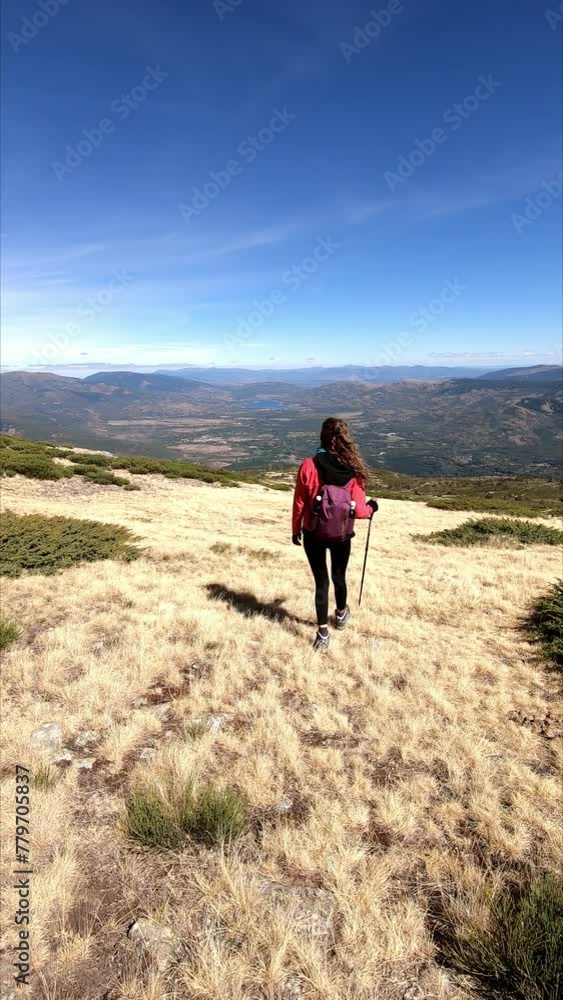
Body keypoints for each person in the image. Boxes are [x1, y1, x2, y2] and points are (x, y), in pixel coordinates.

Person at [292, 417, 377, 651]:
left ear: (322, 436)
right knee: (339, 577)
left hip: (313, 532)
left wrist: (295, 529)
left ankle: (322, 633)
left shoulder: (309, 465)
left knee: (321, 582)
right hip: (342, 535)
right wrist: (373, 508)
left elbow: (299, 502)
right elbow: (360, 512)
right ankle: (341, 615)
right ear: (344, 440)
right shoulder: (353, 471)